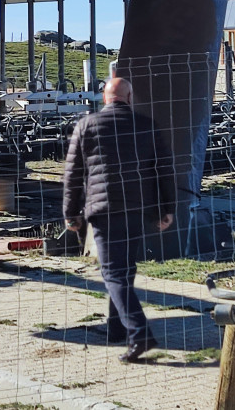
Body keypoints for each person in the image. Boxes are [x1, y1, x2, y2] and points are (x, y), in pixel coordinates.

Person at [62, 77, 175, 363]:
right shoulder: (147, 125)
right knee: (125, 270)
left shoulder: (86, 126)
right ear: (129, 97)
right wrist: (167, 209)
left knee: (113, 273)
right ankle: (117, 327)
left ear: (104, 98)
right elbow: (164, 170)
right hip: (137, 209)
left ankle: (139, 333)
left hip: (103, 209)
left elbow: (73, 175)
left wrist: (70, 213)